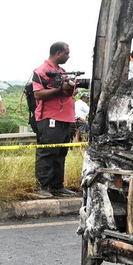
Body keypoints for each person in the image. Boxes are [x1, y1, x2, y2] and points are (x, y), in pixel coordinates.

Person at [31, 41, 78, 199]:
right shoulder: (42, 70)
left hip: (65, 118)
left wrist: (71, 89)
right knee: (47, 152)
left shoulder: (62, 71)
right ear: (58, 53)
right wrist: (59, 89)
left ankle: (57, 186)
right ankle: (41, 187)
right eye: (66, 53)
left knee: (60, 153)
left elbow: (66, 92)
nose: (68, 56)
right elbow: (38, 94)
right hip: (49, 117)